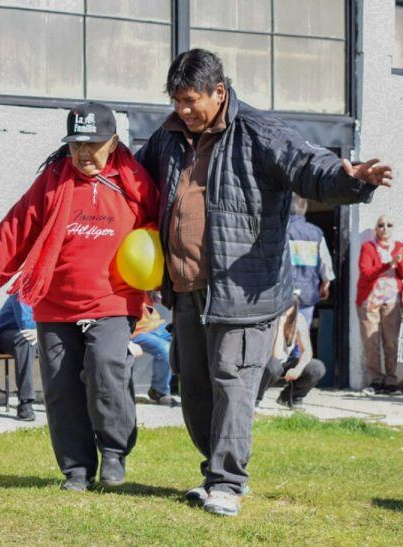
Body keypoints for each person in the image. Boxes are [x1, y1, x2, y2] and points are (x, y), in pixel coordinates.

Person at [136, 49, 392, 517]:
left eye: (191, 100)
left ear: (220, 91)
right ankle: (213, 471)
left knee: (231, 381)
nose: (184, 110)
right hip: (188, 289)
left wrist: (350, 179)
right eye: (176, 101)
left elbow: (309, 166)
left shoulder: (259, 131)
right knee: (194, 389)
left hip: (245, 290)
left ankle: (228, 482)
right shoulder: (167, 137)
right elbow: (135, 181)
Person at [0, 101, 159, 491]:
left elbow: (161, 227)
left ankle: (114, 452)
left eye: (93, 144)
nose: (84, 154)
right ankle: (77, 468)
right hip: (54, 302)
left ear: (114, 141)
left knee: (106, 368)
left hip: (113, 301)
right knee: (61, 387)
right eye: (76, 145)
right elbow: (14, 231)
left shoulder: (134, 181)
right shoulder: (53, 180)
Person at [356, 215, 403, 395]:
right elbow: (366, 272)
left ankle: (391, 381)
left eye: (388, 225)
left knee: (391, 342)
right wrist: (388, 264)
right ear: (376, 229)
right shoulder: (368, 247)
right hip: (369, 300)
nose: (384, 228)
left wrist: (398, 262)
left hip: (392, 301)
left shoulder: (399, 247)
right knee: (371, 342)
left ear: (393, 229)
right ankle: (376, 381)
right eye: (381, 225)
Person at [256, 294, 326, 409]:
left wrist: (298, 369)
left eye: (288, 306)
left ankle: (289, 397)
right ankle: (255, 400)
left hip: (283, 365)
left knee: (317, 367)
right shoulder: (270, 319)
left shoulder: (298, 319)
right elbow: (276, 355)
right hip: (266, 366)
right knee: (274, 366)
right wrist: (280, 321)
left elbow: (307, 351)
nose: (285, 309)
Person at [288, 194, 335, 326]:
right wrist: (325, 283)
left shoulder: (280, 231)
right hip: (307, 294)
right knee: (303, 338)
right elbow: (325, 262)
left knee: (282, 339)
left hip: (283, 295)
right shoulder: (316, 232)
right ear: (304, 208)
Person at [0, 293, 38, 421]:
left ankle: (65, 399)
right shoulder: (23, 290)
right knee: (27, 341)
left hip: (35, 335)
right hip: (3, 335)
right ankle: (25, 403)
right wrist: (41, 331)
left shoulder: (52, 291)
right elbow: (26, 323)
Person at [128, 292, 178, 406]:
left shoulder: (143, 284)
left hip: (157, 325)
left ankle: (190, 390)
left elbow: (159, 297)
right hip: (138, 331)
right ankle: (159, 391)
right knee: (166, 349)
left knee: (185, 336)